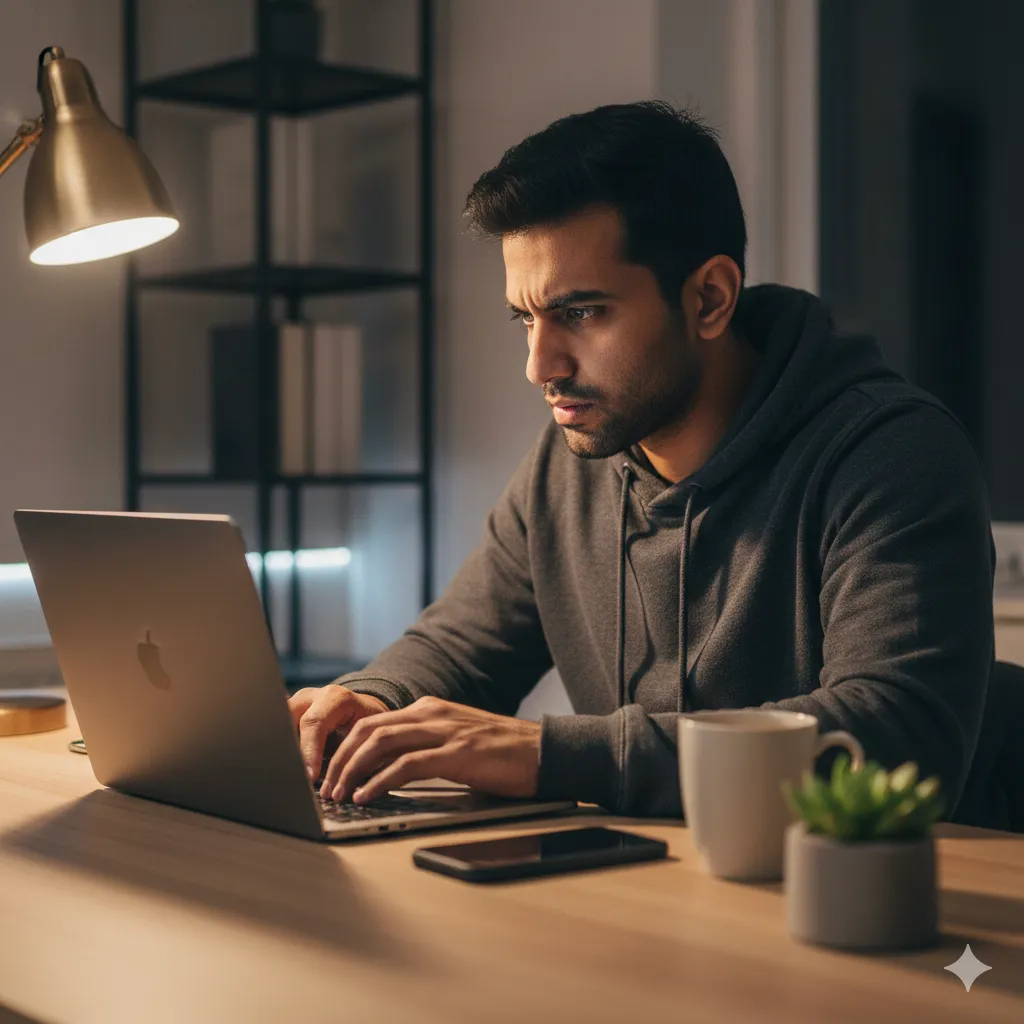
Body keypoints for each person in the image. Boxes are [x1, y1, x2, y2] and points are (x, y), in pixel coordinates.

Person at [288, 100, 995, 819]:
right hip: (653, 874)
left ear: (710, 299)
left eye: (580, 313)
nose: (540, 366)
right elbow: (462, 644)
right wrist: (371, 703)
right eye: (526, 318)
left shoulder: (890, 454)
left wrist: (549, 756)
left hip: (871, 882)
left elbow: (898, 733)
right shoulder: (568, 464)